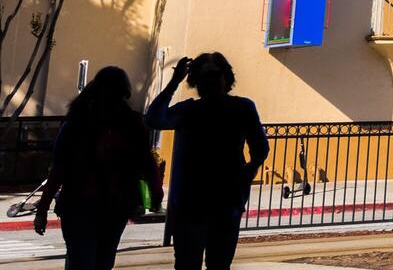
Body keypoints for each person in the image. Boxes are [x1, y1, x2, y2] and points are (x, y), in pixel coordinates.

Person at [146, 53, 269, 270]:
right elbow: (153, 118)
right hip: (193, 204)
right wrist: (174, 82)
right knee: (191, 263)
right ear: (197, 81)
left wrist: (247, 174)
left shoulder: (240, 109)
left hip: (221, 201)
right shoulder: (189, 110)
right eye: (205, 77)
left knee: (215, 263)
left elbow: (260, 148)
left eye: (214, 75)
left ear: (225, 77)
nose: (210, 82)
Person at [33, 67, 163, 270]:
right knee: (102, 259)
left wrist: (42, 208)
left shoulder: (77, 124)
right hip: (110, 206)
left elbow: (59, 169)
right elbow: (145, 163)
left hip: (83, 205)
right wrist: (154, 193)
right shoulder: (131, 124)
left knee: (84, 259)